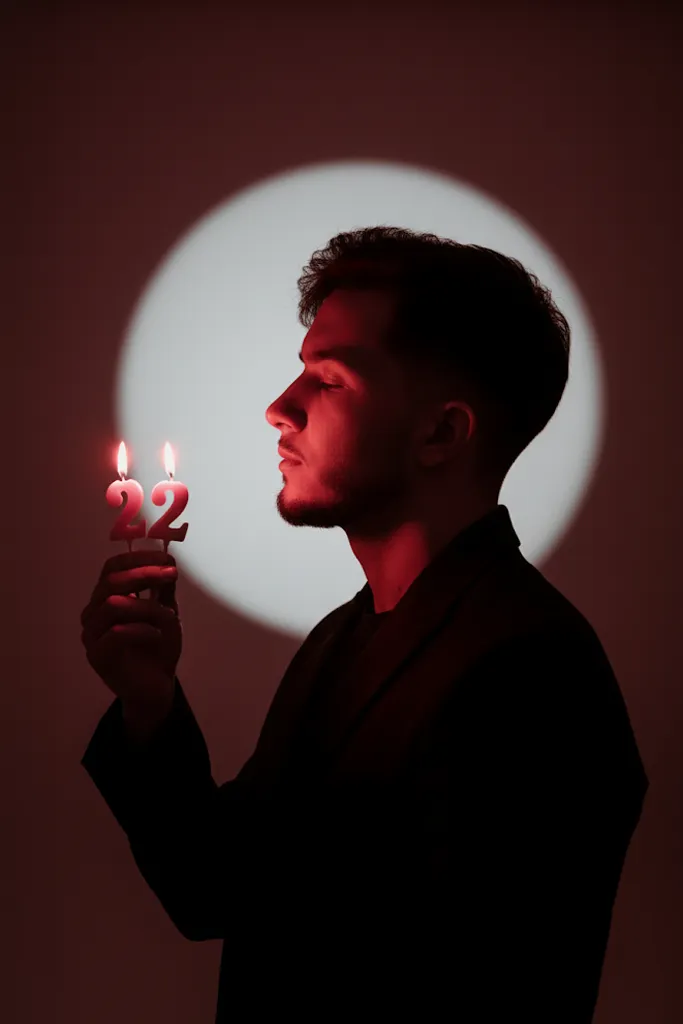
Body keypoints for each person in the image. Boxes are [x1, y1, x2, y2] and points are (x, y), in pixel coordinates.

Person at [80, 227, 648, 1022]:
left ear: (441, 433)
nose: (279, 408)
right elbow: (215, 888)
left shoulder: (531, 672)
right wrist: (149, 705)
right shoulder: (344, 638)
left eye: (328, 379)